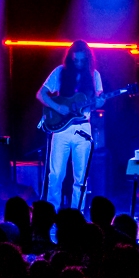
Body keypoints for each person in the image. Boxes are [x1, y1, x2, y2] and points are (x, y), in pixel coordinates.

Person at [36, 40, 104, 210]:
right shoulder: (60, 72)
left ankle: (77, 216)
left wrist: (100, 102)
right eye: (76, 60)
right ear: (70, 59)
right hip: (61, 130)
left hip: (83, 129)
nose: (79, 64)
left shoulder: (94, 75)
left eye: (82, 61)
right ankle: (51, 217)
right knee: (56, 174)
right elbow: (41, 94)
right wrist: (58, 106)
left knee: (80, 178)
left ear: (87, 59)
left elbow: (97, 102)